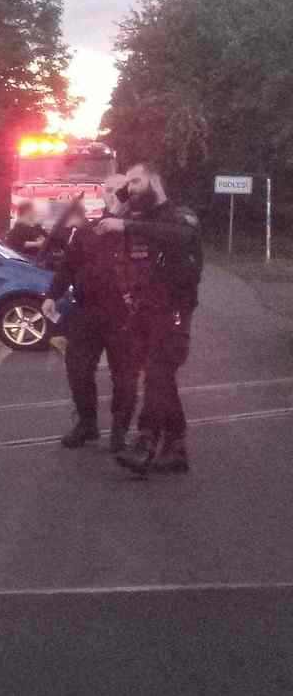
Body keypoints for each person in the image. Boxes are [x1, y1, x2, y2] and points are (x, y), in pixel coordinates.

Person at [96, 161, 203, 476]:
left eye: (137, 181)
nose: (132, 187)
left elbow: (181, 236)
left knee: (158, 373)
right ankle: (176, 448)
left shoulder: (179, 215)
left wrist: (126, 225)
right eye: (129, 183)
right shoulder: (135, 216)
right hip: (144, 312)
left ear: (155, 181)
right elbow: (110, 246)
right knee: (162, 379)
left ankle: (145, 441)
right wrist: (115, 210)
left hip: (174, 311)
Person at [40, 184, 139, 451]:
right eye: (107, 191)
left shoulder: (138, 230)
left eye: (116, 191)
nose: (109, 195)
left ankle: (119, 431)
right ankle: (87, 423)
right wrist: (52, 295)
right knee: (77, 367)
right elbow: (68, 266)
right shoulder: (89, 230)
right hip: (88, 310)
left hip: (124, 314)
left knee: (125, 375)